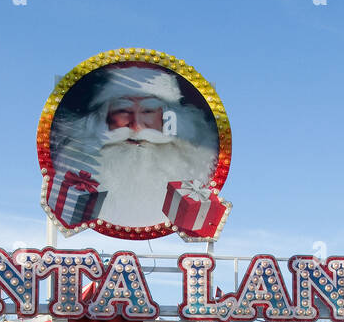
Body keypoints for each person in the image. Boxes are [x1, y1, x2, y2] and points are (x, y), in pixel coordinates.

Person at [50, 66, 218, 229]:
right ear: (100, 117)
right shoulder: (73, 169)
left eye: (149, 111)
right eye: (122, 110)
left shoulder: (192, 170)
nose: (136, 126)